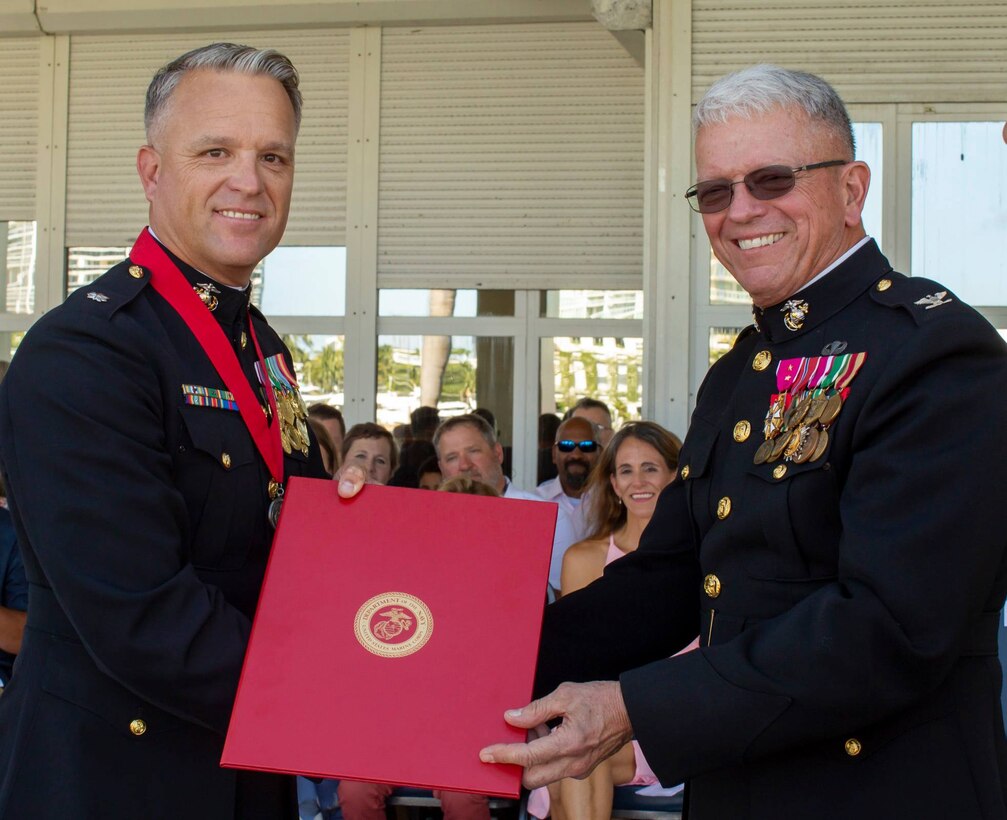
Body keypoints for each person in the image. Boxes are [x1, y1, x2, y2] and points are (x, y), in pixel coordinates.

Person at [479, 65, 1007, 818]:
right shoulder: (742, 370)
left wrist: (632, 707)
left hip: (883, 792)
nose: (740, 211)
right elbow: (671, 577)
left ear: (851, 189)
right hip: (741, 787)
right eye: (715, 192)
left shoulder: (934, 353)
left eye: (770, 179)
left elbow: (891, 625)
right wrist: (475, 654)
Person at [0, 43, 335, 818]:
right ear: (153, 171)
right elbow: (139, 611)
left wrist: (352, 530)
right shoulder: (86, 350)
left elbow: (285, 543)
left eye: (273, 157)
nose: (248, 182)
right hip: (112, 777)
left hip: (248, 767)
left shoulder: (259, 348)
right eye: (215, 151)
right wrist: (343, 695)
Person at [534, 422, 683, 820]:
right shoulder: (584, 559)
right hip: (592, 721)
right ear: (614, 483)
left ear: (675, 476)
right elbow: (571, 667)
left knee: (579, 752)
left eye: (650, 468)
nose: (639, 481)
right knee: (577, 747)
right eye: (626, 470)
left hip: (673, 725)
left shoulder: (704, 559)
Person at [434, 414, 577, 589]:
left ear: (498, 453)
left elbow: (563, 595)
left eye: (473, 451)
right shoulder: (430, 522)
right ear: (441, 469)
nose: (464, 465)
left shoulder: (549, 517)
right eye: (452, 458)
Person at [536, 416, 603, 550]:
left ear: (600, 454)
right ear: (554, 454)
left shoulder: (614, 504)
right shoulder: (535, 502)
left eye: (587, 446)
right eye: (566, 446)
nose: (576, 455)